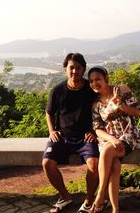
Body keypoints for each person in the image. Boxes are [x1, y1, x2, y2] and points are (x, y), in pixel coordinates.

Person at [42, 53, 99, 213]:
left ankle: (88, 200)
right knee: (47, 164)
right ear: (65, 69)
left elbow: (101, 111)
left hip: (86, 137)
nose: (75, 71)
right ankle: (65, 196)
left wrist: (95, 131)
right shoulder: (58, 90)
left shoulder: (91, 89)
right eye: (71, 67)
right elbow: (49, 112)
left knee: (94, 164)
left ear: (83, 69)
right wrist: (52, 130)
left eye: (78, 68)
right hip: (62, 137)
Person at [87, 66, 140, 213]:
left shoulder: (121, 89)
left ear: (106, 78)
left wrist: (121, 105)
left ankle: (100, 195)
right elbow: (97, 129)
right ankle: (115, 209)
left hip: (128, 135)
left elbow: (137, 113)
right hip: (109, 139)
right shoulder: (95, 104)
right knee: (115, 166)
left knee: (107, 152)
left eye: (98, 79)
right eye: (91, 81)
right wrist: (111, 138)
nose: (94, 83)